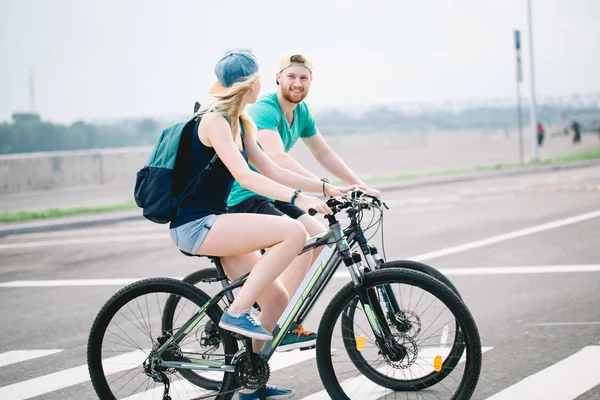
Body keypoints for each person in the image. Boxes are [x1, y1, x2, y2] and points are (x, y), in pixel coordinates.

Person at [169, 51, 349, 399]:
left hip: (219, 221)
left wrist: (326, 189)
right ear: (251, 85)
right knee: (294, 232)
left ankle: (250, 383)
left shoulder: (241, 123)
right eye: (259, 80)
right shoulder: (214, 121)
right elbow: (244, 176)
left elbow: (274, 170)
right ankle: (236, 312)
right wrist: (298, 201)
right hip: (196, 224)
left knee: (276, 299)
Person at [226, 53, 380, 352]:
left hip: (275, 193)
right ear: (278, 78)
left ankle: (281, 314)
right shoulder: (265, 110)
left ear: (310, 82)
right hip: (247, 196)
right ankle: (278, 318)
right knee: (302, 238)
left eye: (303, 78)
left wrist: (356, 185)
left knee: (319, 237)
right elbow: (276, 157)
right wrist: (324, 188)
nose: (297, 83)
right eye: (291, 76)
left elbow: (324, 153)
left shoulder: (302, 112)